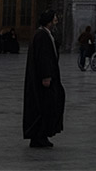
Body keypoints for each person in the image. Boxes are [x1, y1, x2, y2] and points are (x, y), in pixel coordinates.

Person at [22, 10, 64, 148]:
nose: (56, 20)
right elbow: (43, 58)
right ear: (49, 21)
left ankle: (41, 135)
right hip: (44, 80)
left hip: (46, 78)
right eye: (55, 19)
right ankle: (39, 136)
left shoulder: (44, 34)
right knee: (43, 106)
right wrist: (46, 76)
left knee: (47, 105)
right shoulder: (41, 35)